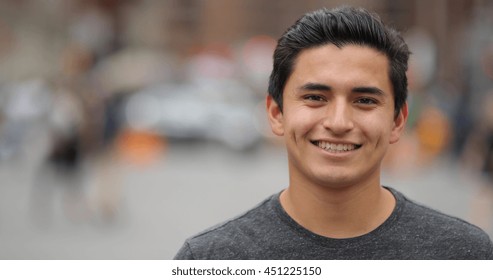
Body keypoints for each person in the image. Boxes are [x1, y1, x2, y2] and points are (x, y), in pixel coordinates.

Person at [174, 6, 493, 259]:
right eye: (315, 98)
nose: (339, 122)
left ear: (398, 121)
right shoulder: (213, 261)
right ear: (276, 113)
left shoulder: (463, 256)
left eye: (365, 100)